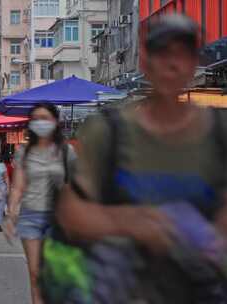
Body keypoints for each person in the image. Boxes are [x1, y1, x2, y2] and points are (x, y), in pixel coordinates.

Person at [57, 15, 227, 302]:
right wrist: (128, 222)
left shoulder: (220, 132)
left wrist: (210, 239)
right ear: (146, 63)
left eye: (183, 55)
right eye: (163, 54)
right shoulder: (109, 132)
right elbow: (71, 214)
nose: (173, 64)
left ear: (194, 63)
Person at [5, 104, 77, 304]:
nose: (40, 122)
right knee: (35, 273)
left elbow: (74, 185)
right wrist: (11, 214)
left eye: (45, 118)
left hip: (59, 219)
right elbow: (18, 187)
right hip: (30, 217)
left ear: (55, 121)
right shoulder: (24, 151)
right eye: (36, 118)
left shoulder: (66, 151)